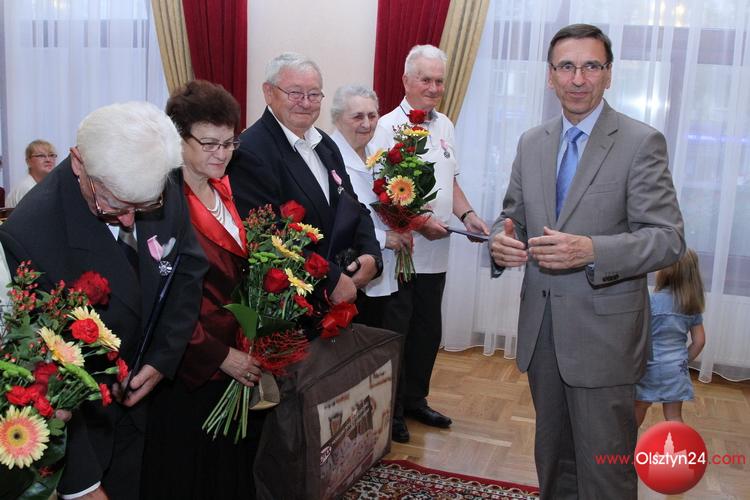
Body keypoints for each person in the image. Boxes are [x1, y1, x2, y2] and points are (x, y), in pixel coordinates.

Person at [489, 24, 685, 499]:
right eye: (566, 67)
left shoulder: (640, 141)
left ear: (608, 74)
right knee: (553, 460)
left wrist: (594, 250)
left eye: (591, 66)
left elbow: (668, 239)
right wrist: (500, 241)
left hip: (605, 340)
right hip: (542, 331)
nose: (578, 79)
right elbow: (511, 216)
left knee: (604, 471)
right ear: (550, 76)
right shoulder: (532, 142)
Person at [0, 102, 207, 500]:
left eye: (142, 206)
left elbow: (187, 268)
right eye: (114, 204)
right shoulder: (31, 235)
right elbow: (41, 374)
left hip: (151, 402)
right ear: (79, 163)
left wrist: (163, 357)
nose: (129, 220)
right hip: (86, 427)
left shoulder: (155, 172)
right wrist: (83, 483)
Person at [140, 80, 262, 499]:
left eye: (229, 144)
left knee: (222, 470)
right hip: (191, 365)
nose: (222, 154)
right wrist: (219, 355)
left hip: (230, 356)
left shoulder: (222, 189)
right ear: (179, 139)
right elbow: (161, 302)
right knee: (186, 473)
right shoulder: (161, 203)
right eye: (209, 144)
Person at [372, 44, 488, 443]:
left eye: (439, 81)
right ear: (406, 80)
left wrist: (468, 215)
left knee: (426, 332)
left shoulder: (446, 125)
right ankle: (391, 411)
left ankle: (415, 400)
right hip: (402, 254)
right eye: (426, 79)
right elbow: (382, 191)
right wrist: (420, 223)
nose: (434, 88)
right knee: (398, 333)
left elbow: (449, 181)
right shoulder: (386, 127)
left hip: (438, 253)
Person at [228, 53, 382, 308]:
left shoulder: (325, 144)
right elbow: (268, 237)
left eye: (314, 94)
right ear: (268, 92)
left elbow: (352, 206)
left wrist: (371, 255)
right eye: (295, 93)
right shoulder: (250, 151)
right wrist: (332, 281)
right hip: (291, 305)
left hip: (340, 295)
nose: (306, 103)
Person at [329, 84, 412, 326]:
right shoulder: (330, 157)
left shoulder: (379, 151)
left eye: (372, 115)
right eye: (357, 116)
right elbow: (334, 219)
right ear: (337, 118)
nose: (367, 124)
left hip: (388, 268)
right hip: (352, 271)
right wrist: (385, 238)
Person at [635, 249, 706, 427]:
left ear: (664, 271)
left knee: (639, 408)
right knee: (674, 416)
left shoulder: (650, 301)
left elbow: (637, 334)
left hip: (649, 365)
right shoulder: (691, 306)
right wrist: (683, 360)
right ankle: (679, 445)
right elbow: (699, 341)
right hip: (676, 368)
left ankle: (626, 444)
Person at [6, 139, 58, 207]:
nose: (48, 160)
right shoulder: (26, 187)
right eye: (41, 156)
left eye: (51, 155)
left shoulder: (50, 186)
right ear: (28, 161)